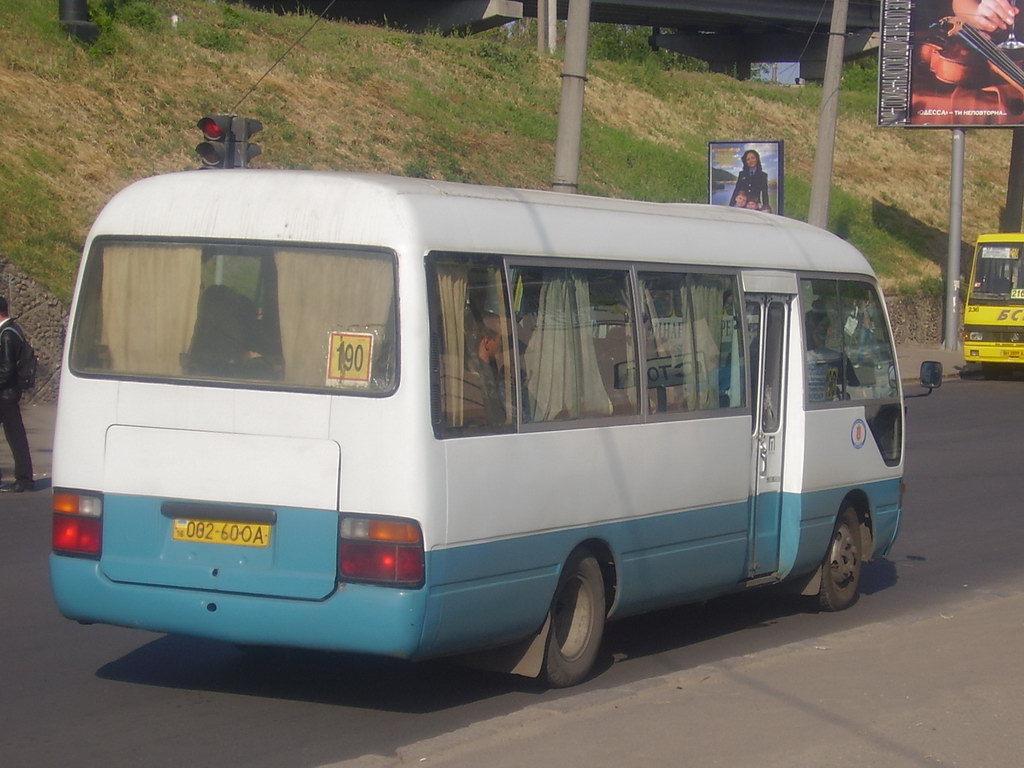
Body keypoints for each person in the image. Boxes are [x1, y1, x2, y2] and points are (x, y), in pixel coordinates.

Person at [0, 297, 34, 492]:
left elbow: (6, 369)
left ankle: (24, 479)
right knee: (16, 436)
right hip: (8, 394)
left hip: (6, 395)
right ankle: (24, 477)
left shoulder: (6, 335)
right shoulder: (13, 330)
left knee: (16, 437)